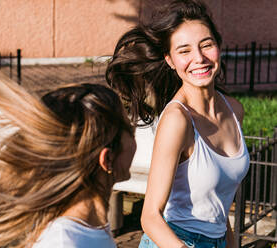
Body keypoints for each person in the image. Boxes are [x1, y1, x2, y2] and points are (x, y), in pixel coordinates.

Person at [0, 43, 137, 248]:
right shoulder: (66, 242)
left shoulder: (88, 228)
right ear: (106, 159)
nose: (135, 140)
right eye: (131, 130)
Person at [106, 0, 250, 247]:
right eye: (184, 51)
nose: (199, 58)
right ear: (170, 60)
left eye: (206, 45)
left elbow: (218, 202)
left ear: (218, 46)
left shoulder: (234, 110)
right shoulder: (178, 120)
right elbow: (150, 216)